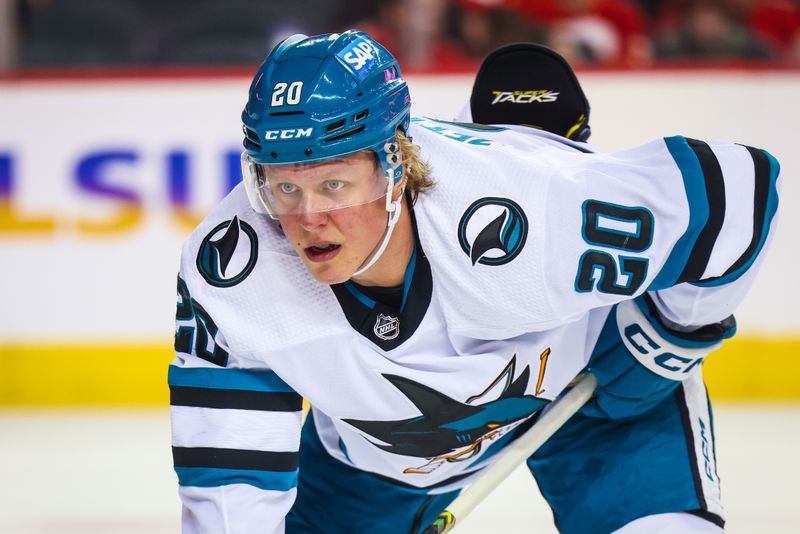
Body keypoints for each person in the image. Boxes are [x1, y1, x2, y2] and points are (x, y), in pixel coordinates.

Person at [168, 30, 780, 534]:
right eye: (283, 186)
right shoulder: (233, 271)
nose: (305, 219)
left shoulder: (531, 211)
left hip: (595, 398)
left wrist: (666, 342)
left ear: (395, 166)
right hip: (379, 452)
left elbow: (736, 190)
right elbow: (228, 484)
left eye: (333, 184)